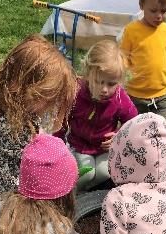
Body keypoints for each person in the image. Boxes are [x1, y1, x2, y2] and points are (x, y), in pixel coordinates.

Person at [0, 34, 77, 199]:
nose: (46, 105)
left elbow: (49, 130)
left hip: (30, 169)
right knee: (10, 206)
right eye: (43, 98)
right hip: (1, 171)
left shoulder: (35, 107)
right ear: (21, 87)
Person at [55, 40, 138, 192]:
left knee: (104, 172)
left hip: (104, 149)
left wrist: (118, 137)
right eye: (99, 82)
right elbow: (62, 118)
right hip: (79, 145)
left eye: (111, 83)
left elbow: (134, 123)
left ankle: (86, 193)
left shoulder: (119, 98)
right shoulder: (77, 92)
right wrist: (57, 144)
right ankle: (69, 195)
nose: (104, 89)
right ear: (88, 74)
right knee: (86, 173)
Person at [119, 0, 166, 121]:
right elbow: (123, 58)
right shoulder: (132, 30)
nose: (159, 16)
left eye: (164, 10)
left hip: (161, 96)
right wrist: (119, 80)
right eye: (153, 10)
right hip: (135, 96)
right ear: (141, 5)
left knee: (162, 131)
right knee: (135, 133)